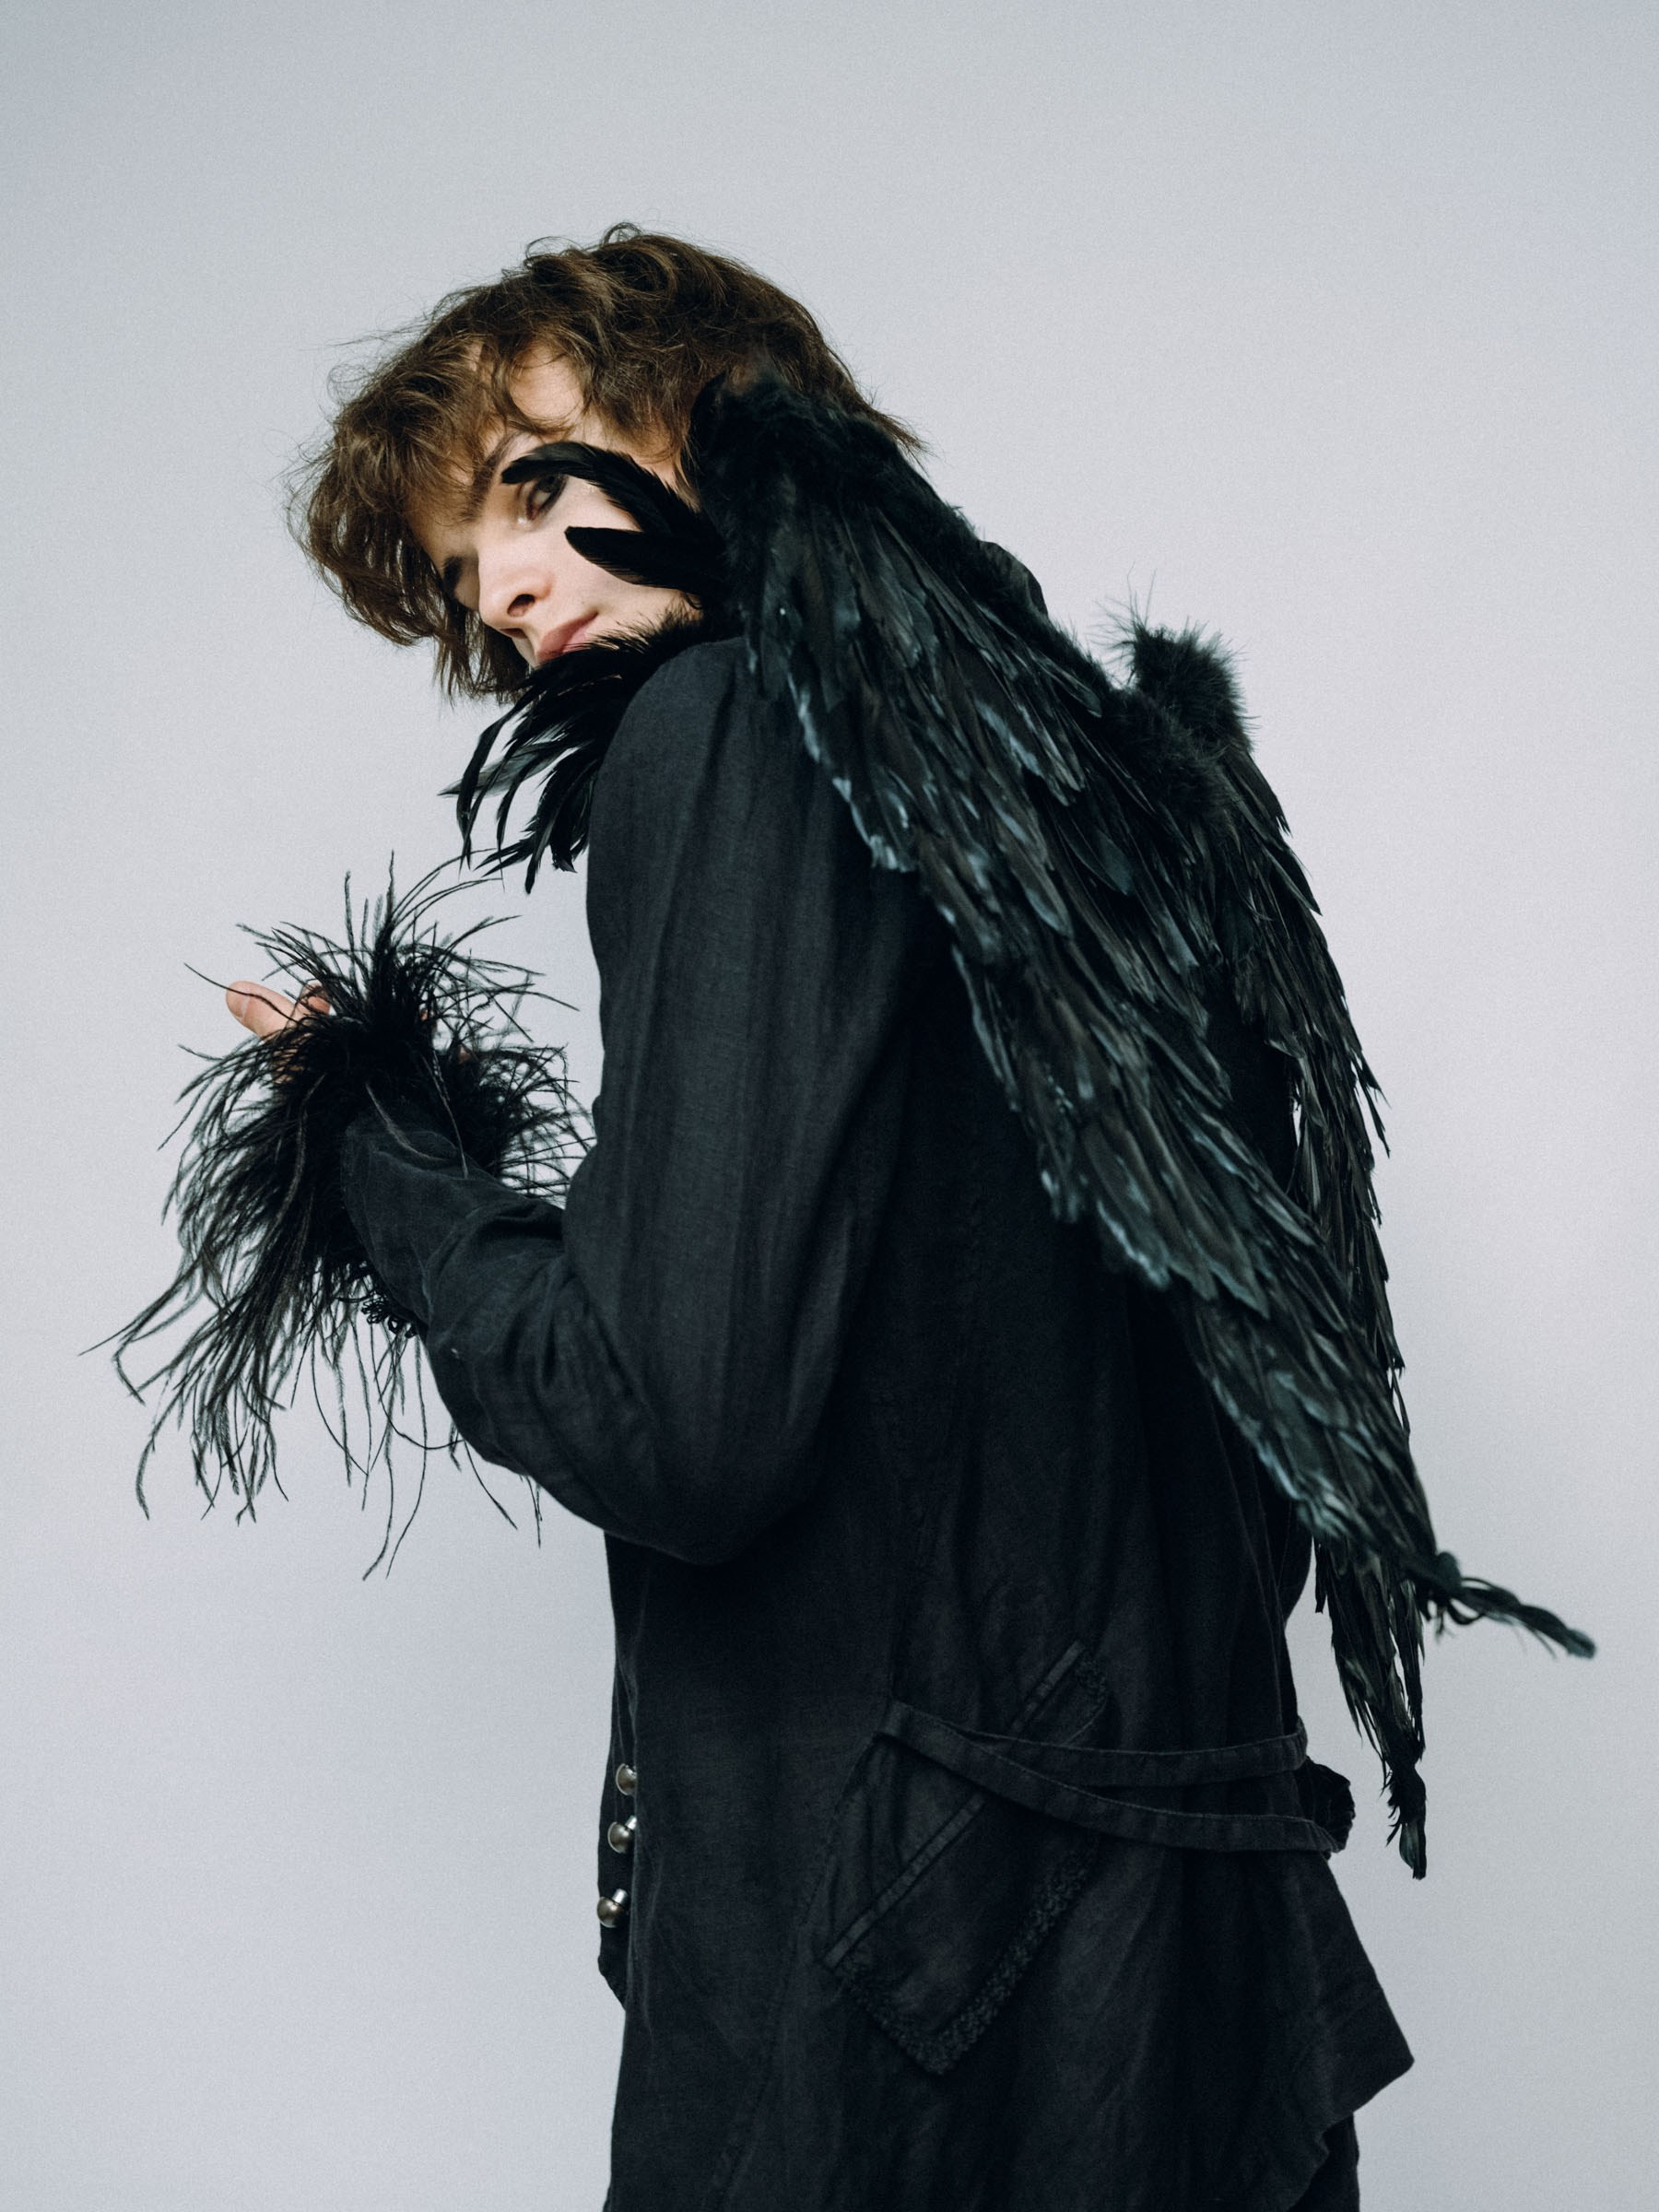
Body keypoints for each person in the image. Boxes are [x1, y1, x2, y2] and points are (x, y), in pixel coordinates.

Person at [130, 227, 1590, 2211]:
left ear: (718, 417)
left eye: (533, 489)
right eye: (466, 575)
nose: (508, 588)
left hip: (913, 2015)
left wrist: (374, 1141)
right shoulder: (1100, 804)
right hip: (1202, 1989)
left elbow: (680, 1425)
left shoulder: (728, 732)